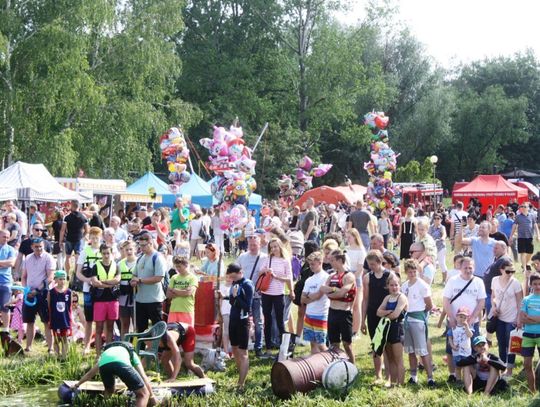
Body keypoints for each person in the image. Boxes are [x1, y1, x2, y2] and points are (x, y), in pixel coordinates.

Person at [72, 342, 157, 407]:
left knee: (109, 391)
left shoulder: (106, 354)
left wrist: (77, 385)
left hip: (104, 366)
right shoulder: (132, 353)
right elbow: (143, 376)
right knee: (143, 394)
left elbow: (90, 374)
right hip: (122, 364)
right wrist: (152, 396)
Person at [442, 257, 486, 383]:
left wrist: (472, 319)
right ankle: (453, 374)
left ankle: (473, 375)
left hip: (472, 322)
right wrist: (451, 318)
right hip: (454, 321)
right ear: (460, 268)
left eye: (470, 267)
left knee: (474, 348)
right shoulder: (452, 281)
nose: (468, 270)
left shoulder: (478, 281)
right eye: (465, 267)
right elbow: (446, 300)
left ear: (474, 268)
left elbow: (481, 301)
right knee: (451, 348)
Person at [401, 259, 435, 387]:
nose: (412, 274)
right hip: (407, 319)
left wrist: (421, 315)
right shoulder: (404, 286)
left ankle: (430, 378)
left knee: (422, 350)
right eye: (410, 272)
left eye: (414, 271)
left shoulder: (422, 285)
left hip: (418, 319)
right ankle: (413, 376)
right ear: (406, 272)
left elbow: (429, 304)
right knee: (410, 350)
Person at [259, 238, 293, 355]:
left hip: (279, 294)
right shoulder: (268, 259)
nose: (273, 249)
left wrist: (276, 276)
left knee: (280, 321)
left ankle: (283, 348)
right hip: (266, 293)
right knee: (267, 321)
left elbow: (289, 278)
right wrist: (265, 270)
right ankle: (268, 348)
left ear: (280, 247)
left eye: (275, 246)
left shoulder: (285, 261)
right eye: (271, 247)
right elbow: (259, 272)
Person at [320, 250, 356, 362]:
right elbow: (323, 289)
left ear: (340, 260)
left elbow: (342, 293)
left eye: (332, 260)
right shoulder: (331, 276)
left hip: (344, 313)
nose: (330, 262)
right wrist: (335, 290)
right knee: (334, 344)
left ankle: (352, 366)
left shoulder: (349, 276)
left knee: (347, 344)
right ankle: (337, 365)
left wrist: (333, 291)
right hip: (332, 311)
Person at [361, 250, 392, 380]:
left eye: (373, 264)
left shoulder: (390, 275)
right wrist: (362, 320)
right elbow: (365, 299)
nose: (371, 267)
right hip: (373, 314)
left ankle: (390, 375)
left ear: (379, 262)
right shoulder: (368, 277)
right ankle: (378, 375)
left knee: (388, 345)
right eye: (369, 264)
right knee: (376, 345)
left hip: (387, 314)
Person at [21, 237, 55, 353]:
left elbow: (50, 277)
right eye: (36, 247)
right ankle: (28, 347)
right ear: (32, 247)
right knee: (30, 321)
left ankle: (50, 348)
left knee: (47, 321)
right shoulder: (28, 258)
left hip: (44, 293)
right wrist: (26, 290)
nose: (39, 248)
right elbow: (24, 276)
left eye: (41, 246)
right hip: (29, 294)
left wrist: (38, 290)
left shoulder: (48, 257)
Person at [237, 232, 268, 357]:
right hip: (244, 294)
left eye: (255, 244)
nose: (252, 247)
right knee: (242, 320)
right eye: (250, 244)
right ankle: (242, 346)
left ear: (259, 245)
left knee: (258, 321)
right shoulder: (242, 257)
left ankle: (258, 347)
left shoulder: (265, 257)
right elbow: (235, 270)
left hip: (257, 295)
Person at [490, 260, 522, 377]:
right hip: (499, 317)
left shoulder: (515, 283)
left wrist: (518, 319)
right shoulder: (494, 280)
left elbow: (520, 302)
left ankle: (509, 370)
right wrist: (493, 307)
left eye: (512, 271)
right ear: (501, 270)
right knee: (501, 343)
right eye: (508, 271)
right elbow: (493, 297)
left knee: (511, 345)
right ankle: (502, 366)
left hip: (512, 318)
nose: (510, 274)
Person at [130, 233, 167, 332]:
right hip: (140, 300)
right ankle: (141, 347)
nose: (141, 248)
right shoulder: (140, 258)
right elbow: (135, 274)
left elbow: (158, 278)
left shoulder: (158, 257)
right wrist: (133, 280)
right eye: (140, 245)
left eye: (143, 245)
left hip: (154, 300)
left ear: (150, 243)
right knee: (141, 329)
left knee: (158, 328)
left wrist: (140, 280)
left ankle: (160, 347)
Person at [376, 273, 407, 386]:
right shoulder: (387, 298)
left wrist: (385, 315)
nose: (394, 287)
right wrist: (387, 312)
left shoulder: (402, 297)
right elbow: (378, 312)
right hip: (387, 329)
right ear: (388, 286)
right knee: (390, 358)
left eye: (396, 285)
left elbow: (396, 315)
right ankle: (393, 384)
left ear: (400, 286)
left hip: (397, 329)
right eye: (392, 285)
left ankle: (401, 384)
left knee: (398, 359)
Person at [75, 226, 103, 354]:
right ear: (89, 238)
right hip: (88, 289)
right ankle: (86, 345)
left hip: (102, 289)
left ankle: (100, 342)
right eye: (92, 237)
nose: (95, 240)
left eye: (97, 237)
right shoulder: (85, 251)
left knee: (101, 319)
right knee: (89, 319)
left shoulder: (105, 250)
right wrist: (89, 281)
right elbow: (78, 273)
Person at [226, 263, 254, 391]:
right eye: (231, 277)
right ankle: (240, 376)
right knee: (234, 348)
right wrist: (228, 297)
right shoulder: (234, 283)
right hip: (233, 319)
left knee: (243, 352)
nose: (233, 279)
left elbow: (247, 307)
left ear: (240, 272)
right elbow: (233, 302)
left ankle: (241, 384)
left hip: (243, 321)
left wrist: (237, 296)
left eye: (234, 276)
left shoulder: (247, 284)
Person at [90, 244, 121, 356]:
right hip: (99, 300)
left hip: (113, 299)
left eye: (108, 253)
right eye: (104, 253)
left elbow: (117, 280)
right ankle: (98, 355)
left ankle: (107, 353)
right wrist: (109, 284)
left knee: (110, 327)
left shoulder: (116, 265)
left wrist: (103, 282)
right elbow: (95, 282)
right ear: (100, 254)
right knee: (98, 328)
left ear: (111, 253)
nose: (106, 255)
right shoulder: (96, 266)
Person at [300, 251, 330, 354]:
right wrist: (311, 296)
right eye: (310, 264)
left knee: (321, 345)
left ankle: (331, 363)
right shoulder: (309, 279)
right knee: (312, 344)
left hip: (320, 315)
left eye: (313, 264)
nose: (311, 266)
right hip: (309, 315)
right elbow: (302, 299)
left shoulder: (326, 277)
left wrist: (309, 295)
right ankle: (316, 365)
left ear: (320, 262)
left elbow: (318, 295)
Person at [517, 273, 540, 392]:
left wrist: (529, 318)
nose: (537, 286)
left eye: (539, 284)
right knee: (527, 364)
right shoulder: (526, 299)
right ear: (530, 285)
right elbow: (522, 319)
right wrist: (537, 319)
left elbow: (527, 318)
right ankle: (532, 391)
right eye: (535, 284)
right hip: (528, 335)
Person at [344, 228, 366, 334]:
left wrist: (352, 279)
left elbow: (360, 268)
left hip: (356, 278)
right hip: (347, 275)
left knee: (357, 305)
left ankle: (355, 330)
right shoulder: (346, 249)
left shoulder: (361, 250)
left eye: (349, 237)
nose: (348, 239)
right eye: (347, 237)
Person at [60, 200, 89, 274]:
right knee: (77, 258)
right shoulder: (83, 217)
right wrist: (83, 236)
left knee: (67, 257)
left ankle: (67, 274)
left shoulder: (67, 217)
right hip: (78, 239)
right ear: (78, 206)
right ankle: (76, 274)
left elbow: (62, 230)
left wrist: (61, 240)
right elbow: (87, 230)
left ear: (72, 206)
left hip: (69, 238)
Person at [167, 256, 198, 325]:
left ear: (186, 265)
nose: (177, 269)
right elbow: (168, 295)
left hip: (187, 311)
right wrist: (182, 291)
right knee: (171, 333)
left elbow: (188, 293)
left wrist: (174, 290)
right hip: (173, 310)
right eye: (176, 266)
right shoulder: (174, 277)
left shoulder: (193, 278)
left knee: (187, 334)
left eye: (179, 266)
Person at [48, 270, 72, 358]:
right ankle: (57, 356)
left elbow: (69, 307)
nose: (62, 281)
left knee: (65, 338)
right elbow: (49, 306)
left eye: (64, 279)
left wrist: (70, 319)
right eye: (60, 279)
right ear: (56, 280)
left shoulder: (69, 292)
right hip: (55, 319)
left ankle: (64, 356)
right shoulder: (51, 292)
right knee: (57, 339)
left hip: (65, 319)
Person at [509, 202, 540, 271]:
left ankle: (525, 264)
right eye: (521, 206)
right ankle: (525, 269)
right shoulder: (518, 217)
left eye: (524, 206)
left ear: (528, 208)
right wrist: (511, 236)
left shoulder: (532, 216)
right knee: (522, 252)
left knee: (530, 252)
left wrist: (538, 235)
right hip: (521, 237)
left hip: (530, 237)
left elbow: (535, 226)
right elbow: (514, 226)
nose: (523, 208)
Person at [447, 306, 473, 381]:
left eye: (465, 318)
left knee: (466, 367)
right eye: (461, 317)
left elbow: (470, 335)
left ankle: (466, 380)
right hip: (456, 351)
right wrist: (452, 346)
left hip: (466, 351)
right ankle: (458, 380)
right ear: (456, 317)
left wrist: (467, 327)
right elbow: (450, 338)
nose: (462, 319)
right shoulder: (453, 327)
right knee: (458, 367)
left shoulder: (468, 327)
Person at [118, 241, 136, 339]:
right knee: (124, 324)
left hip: (135, 298)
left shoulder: (139, 262)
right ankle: (123, 345)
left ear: (135, 249)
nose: (129, 252)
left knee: (136, 324)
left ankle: (135, 345)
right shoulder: (120, 264)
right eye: (126, 250)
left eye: (130, 249)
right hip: (123, 298)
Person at [0, 230, 16, 342]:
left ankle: (6, 330)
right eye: (3, 236)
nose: (5, 238)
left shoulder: (10, 249)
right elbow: (8, 262)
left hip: (6, 281)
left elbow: (11, 263)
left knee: (5, 306)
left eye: (7, 237)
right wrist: (3, 263)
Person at [429, 214, 448, 282]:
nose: (436, 220)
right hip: (432, 248)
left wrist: (442, 238)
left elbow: (444, 234)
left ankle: (444, 280)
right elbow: (428, 235)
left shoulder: (442, 227)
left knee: (442, 263)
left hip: (440, 247)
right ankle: (432, 280)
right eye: (435, 218)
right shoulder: (430, 227)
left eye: (438, 218)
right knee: (432, 264)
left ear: (441, 220)